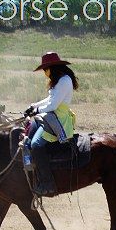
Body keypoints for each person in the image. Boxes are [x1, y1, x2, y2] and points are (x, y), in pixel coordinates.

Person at [24, 52, 78, 196]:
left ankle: (48, 184)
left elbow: (53, 105)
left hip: (58, 119)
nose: (44, 73)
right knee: (28, 132)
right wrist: (33, 105)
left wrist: (36, 110)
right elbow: (49, 99)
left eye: (45, 69)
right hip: (50, 115)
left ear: (51, 68)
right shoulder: (59, 79)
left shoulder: (64, 81)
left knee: (36, 145)